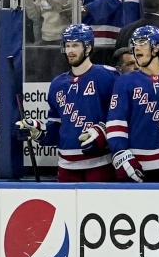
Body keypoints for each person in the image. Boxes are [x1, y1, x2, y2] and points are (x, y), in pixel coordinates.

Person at [104, 25, 159, 181]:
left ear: (156, 47)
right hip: (137, 163)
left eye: (142, 43)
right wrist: (120, 152)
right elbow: (116, 122)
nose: (136, 48)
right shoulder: (125, 81)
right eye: (134, 44)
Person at [41, 24, 116, 180]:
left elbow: (120, 118)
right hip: (66, 164)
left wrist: (102, 131)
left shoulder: (107, 77)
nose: (70, 51)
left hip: (99, 163)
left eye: (75, 45)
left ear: (88, 48)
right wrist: (39, 132)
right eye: (67, 46)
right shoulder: (57, 84)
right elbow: (55, 125)